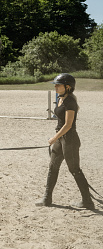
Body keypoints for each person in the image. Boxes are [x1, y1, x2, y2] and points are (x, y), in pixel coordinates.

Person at [35, 73, 95, 209]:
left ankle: (87, 201)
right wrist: (57, 138)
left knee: (74, 169)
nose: (55, 87)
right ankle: (47, 198)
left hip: (70, 140)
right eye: (55, 85)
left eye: (58, 85)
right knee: (53, 166)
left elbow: (68, 125)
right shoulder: (61, 99)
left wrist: (54, 138)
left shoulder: (70, 102)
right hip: (61, 138)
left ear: (68, 87)